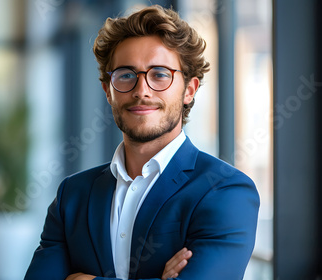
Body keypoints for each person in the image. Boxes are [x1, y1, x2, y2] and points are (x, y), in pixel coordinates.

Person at [24, 5, 259, 280]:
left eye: (160, 74)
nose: (141, 90)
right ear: (108, 90)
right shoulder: (72, 195)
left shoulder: (225, 190)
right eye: (126, 75)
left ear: (189, 90)